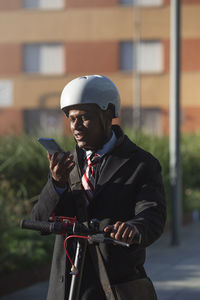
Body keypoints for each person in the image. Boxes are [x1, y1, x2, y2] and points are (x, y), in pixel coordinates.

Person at [31, 75, 166, 300]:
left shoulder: (142, 163)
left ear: (108, 114)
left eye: (84, 118)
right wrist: (57, 184)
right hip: (66, 288)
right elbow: (39, 223)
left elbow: (153, 214)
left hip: (114, 288)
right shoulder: (65, 164)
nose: (76, 126)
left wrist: (134, 228)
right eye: (71, 119)